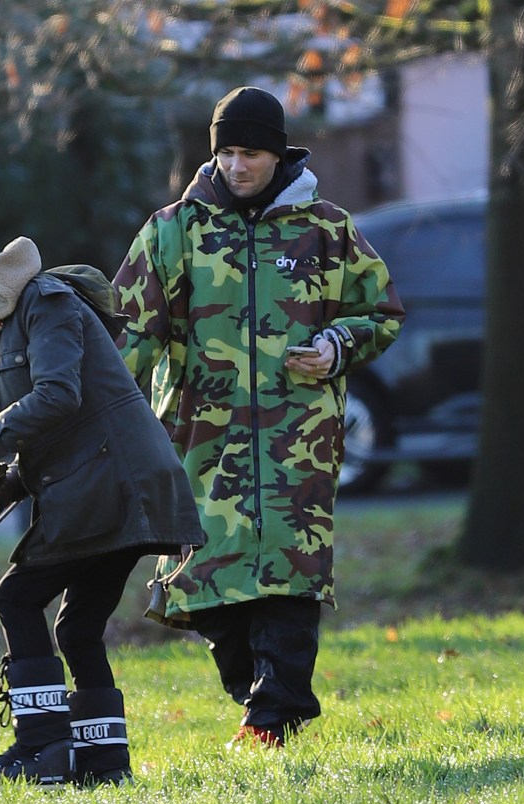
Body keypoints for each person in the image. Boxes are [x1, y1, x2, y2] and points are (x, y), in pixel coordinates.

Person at [113, 86, 406, 748]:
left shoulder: (327, 228)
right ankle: (264, 700)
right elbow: (129, 338)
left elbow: (382, 313)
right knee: (212, 592)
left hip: (298, 440)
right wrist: (97, 417)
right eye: (227, 153)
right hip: (200, 445)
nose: (238, 166)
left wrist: (337, 346)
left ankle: (274, 712)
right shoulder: (172, 231)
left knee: (289, 579)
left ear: (278, 154)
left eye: (251, 153)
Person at [0, 228, 203, 786]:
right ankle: (103, 765)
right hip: (108, 484)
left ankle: (42, 746)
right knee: (76, 631)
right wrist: (5, 484)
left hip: (117, 486)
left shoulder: (46, 304)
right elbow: (54, 431)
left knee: (17, 598)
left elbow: (58, 396)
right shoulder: (4, 331)